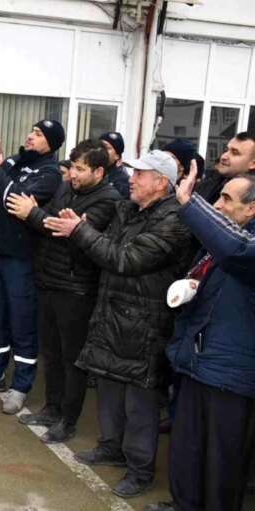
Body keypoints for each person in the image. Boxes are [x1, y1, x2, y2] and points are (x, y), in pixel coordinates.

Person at [44, 149, 191, 498]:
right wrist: (79, 230)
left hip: (144, 323)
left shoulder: (174, 220)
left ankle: (140, 470)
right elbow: (105, 249)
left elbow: (125, 259)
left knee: (139, 403)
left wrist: (79, 230)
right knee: (110, 385)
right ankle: (111, 446)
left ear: (161, 183)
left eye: (140, 174)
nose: (131, 178)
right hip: (112, 313)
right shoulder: (128, 210)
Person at [145, 170, 255, 511]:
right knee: (187, 448)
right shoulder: (223, 238)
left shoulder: (239, 243)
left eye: (226, 199)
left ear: (252, 209)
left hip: (232, 377)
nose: (217, 205)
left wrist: (190, 204)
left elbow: (237, 253)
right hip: (198, 361)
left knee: (222, 463)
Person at [7, 139, 120, 443]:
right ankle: (51, 408)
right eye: (72, 167)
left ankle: (68, 420)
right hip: (49, 281)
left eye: (81, 169)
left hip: (76, 288)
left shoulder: (108, 200)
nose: (73, 174)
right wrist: (40, 217)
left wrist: (33, 214)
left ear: (99, 171)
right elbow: (52, 223)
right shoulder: (67, 189)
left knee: (73, 359)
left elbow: (67, 231)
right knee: (52, 354)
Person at [0, 120, 64, 414]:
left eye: (38, 134)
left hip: (22, 259)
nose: (30, 136)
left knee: (22, 323)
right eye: (31, 132)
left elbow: (13, 200)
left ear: (52, 143)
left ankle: (21, 386)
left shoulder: (50, 173)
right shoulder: (13, 161)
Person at [98, 132, 130, 199]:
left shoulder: (121, 181)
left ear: (116, 156)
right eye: (99, 146)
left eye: (106, 147)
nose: (101, 150)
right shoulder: (89, 171)